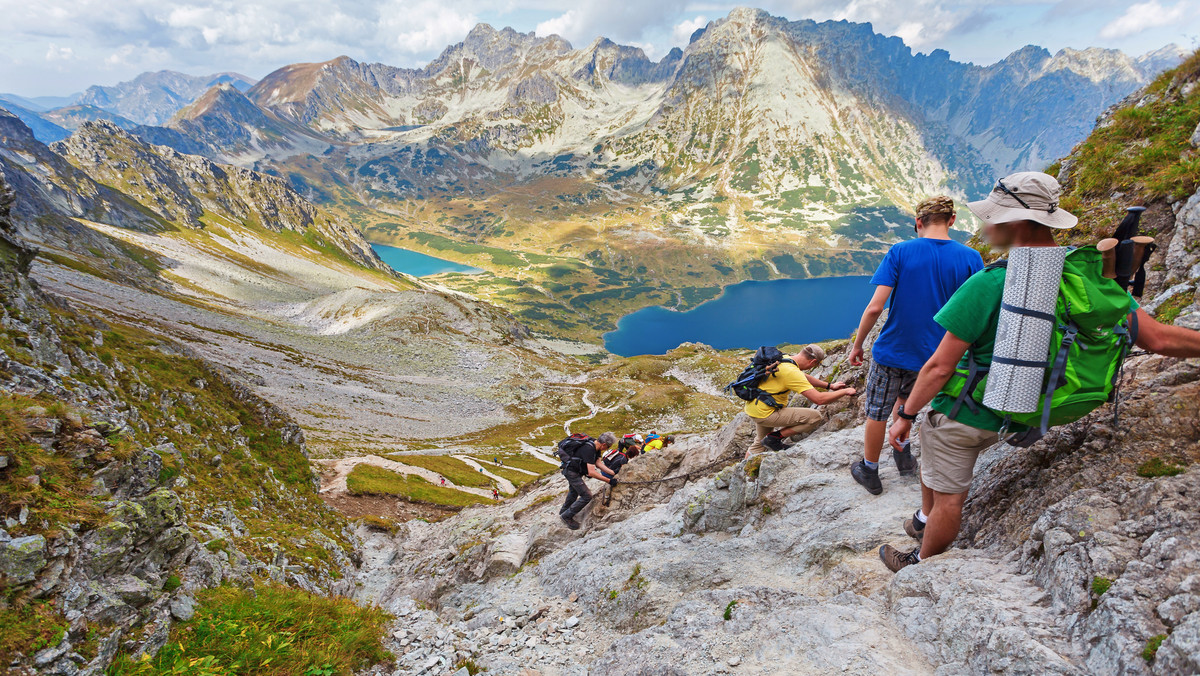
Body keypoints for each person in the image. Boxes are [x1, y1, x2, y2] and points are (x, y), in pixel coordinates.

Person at [879, 172, 1200, 572]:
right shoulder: (1086, 274)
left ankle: (920, 561)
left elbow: (939, 366)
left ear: (1013, 223)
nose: (984, 225)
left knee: (944, 477)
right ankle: (924, 521)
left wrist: (905, 415)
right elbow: (1160, 340)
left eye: (991, 217)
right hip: (1036, 409)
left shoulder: (990, 282)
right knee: (937, 452)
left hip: (969, 413)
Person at [849, 196, 983, 495]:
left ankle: (870, 470)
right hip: (934, 357)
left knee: (877, 413)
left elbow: (874, 308)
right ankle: (904, 455)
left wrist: (857, 345)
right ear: (952, 220)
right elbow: (973, 310)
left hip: (892, 351)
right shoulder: (971, 258)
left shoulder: (900, 251)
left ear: (918, 223)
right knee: (907, 405)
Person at [745, 344, 856, 457]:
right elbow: (819, 399)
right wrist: (845, 392)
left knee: (758, 444)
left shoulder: (784, 358)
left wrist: (829, 386)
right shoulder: (791, 372)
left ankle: (745, 472)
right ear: (812, 362)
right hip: (766, 413)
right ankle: (774, 438)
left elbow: (803, 377)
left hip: (755, 407)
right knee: (815, 417)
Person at [558, 431, 617, 530]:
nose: (607, 449)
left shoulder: (596, 445)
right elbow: (591, 472)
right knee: (587, 496)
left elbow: (598, 463)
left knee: (574, 492)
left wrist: (613, 473)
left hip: (574, 470)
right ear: (604, 444)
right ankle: (566, 516)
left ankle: (563, 511)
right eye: (608, 447)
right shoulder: (588, 449)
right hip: (572, 472)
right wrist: (609, 481)